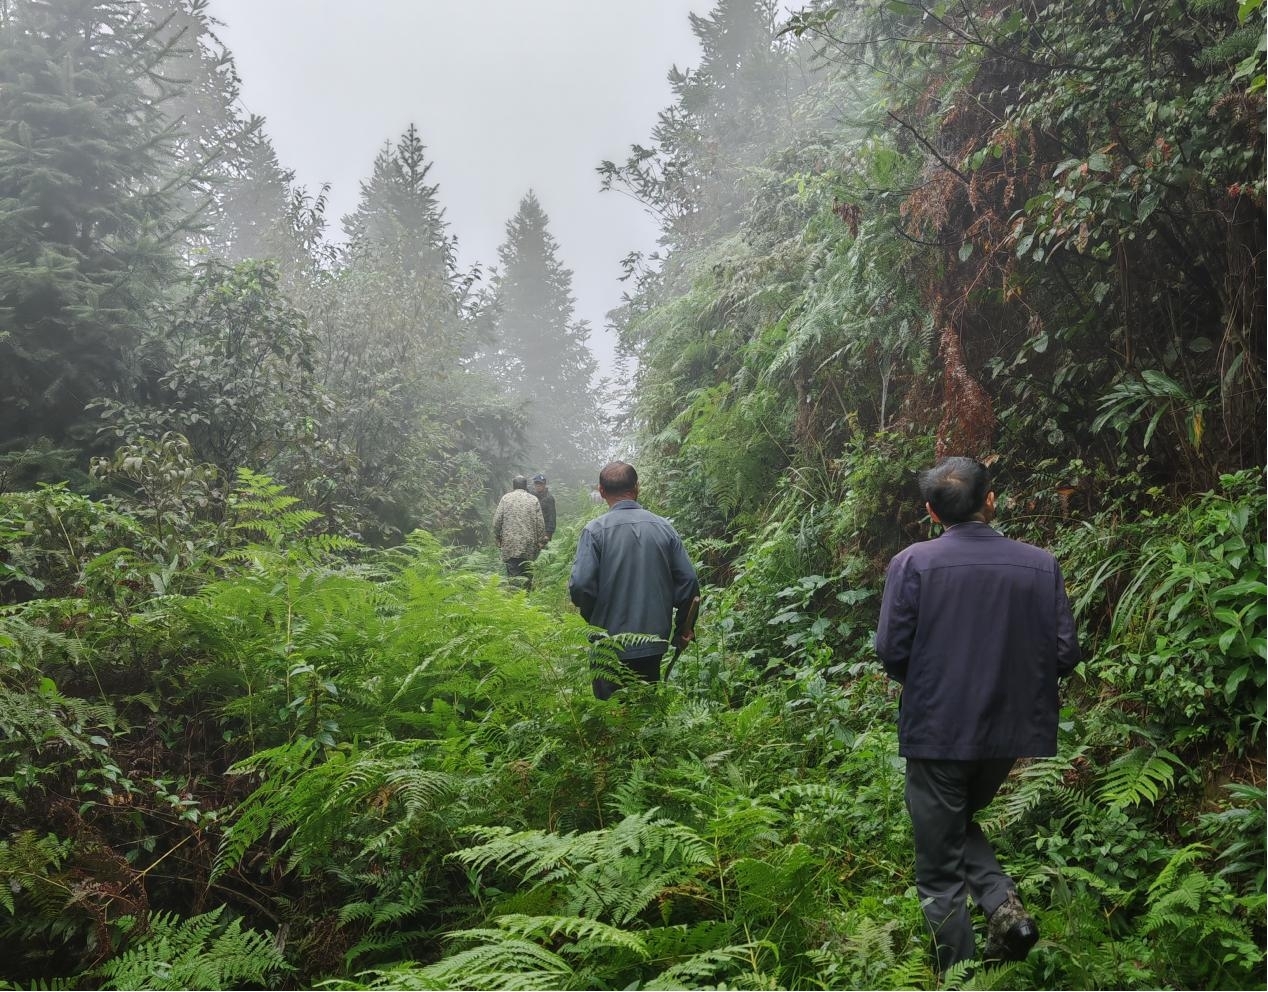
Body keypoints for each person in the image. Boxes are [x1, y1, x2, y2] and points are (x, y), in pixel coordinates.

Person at [874, 456, 1080, 972]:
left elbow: (891, 650)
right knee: (955, 821)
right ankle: (1005, 910)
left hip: (938, 730)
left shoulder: (913, 563)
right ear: (991, 500)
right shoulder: (1040, 564)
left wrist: (932, 686)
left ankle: (962, 977)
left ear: (930, 511)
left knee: (939, 863)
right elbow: (1064, 652)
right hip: (1008, 733)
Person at [569, 462, 699, 699]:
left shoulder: (594, 531)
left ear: (601, 491)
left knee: (611, 720)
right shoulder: (664, 528)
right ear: (637, 488)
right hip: (653, 642)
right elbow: (689, 581)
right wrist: (682, 629)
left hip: (607, 644)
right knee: (646, 716)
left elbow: (580, 586)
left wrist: (594, 621)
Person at [492, 475, 547, 590]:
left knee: (513, 575)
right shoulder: (533, 500)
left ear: (513, 486)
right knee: (527, 574)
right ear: (525, 486)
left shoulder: (505, 499)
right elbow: (540, 524)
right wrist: (540, 541)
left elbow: (497, 521)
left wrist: (497, 537)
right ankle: (526, 601)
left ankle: (514, 601)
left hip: (510, 544)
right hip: (529, 545)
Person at [531, 473, 556, 542]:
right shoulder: (531, 497)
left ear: (544, 484)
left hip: (544, 532)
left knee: (543, 552)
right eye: (536, 483)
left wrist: (548, 534)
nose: (538, 485)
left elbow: (552, 516)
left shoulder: (549, 498)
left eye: (540, 483)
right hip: (532, 531)